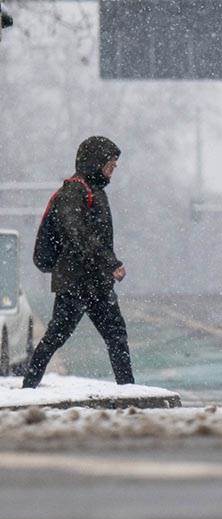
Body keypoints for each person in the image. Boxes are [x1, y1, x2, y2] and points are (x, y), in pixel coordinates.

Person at [23, 136, 134, 388]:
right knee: (57, 335)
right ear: (95, 162)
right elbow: (78, 233)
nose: (112, 172)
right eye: (110, 166)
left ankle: (129, 391)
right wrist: (110, 262)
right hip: (75, 282)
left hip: (97, 282)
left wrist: (105, 266)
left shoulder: (96, 192)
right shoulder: (74, 192)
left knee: (116, 336)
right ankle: (28, 387)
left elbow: (91, 237)